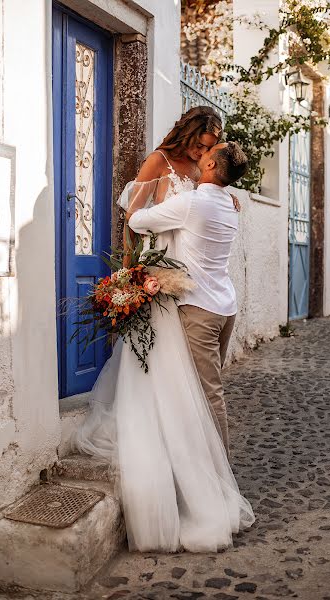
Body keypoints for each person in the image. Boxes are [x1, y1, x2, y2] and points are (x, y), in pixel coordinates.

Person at [72, 107, 254, 554]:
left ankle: (204, 470)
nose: (206, 150)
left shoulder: (204, 180)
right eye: (205, 141)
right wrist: (132, 273)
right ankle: (195, 468)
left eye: (212, 147)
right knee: (174, 381)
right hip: (170, 284)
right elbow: (132, 221)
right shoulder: (161, 161)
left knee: (194, 385)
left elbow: (197, 207)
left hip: (190, 292)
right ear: (192, 134)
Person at [130, 141, 248, 460]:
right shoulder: (229, 204)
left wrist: (142, 198)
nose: (201, 155)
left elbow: (137, 222)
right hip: (225, 308)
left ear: (211, 166)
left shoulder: (192, 203)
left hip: (201, 311)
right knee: (201, 390)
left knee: (209, 394)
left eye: (208, 153)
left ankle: (219, 478)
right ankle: (193, 460)